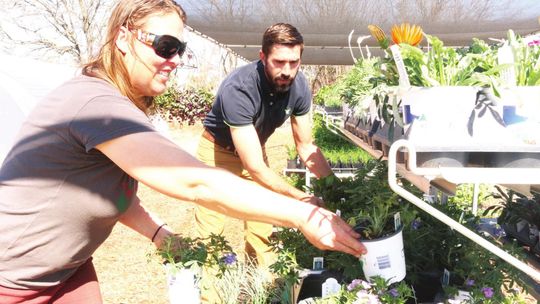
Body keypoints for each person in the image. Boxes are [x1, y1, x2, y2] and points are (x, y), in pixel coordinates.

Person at [0, 1, 366, 303]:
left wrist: (159, 233)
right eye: (164, 46)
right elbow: (197, 183)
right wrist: (303, 213)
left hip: (69, 271)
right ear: (123, 38)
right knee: (212, 228)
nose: (174, 59)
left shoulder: (118, 107)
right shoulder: (95, 104)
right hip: (14, 280)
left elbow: (110, 191)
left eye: (180, 49)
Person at [196, 23, 334, 269]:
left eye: (294, 63)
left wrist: (334, 187)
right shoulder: (240, 88)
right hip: (218, 154)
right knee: (211, 233)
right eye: (279, 62)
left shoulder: (299, 87)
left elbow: (305, 146)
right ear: (263, 57)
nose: (287, 71)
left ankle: (259, 288)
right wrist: (301, 197)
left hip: (255, 150)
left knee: (262, 229)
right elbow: (255, 166)